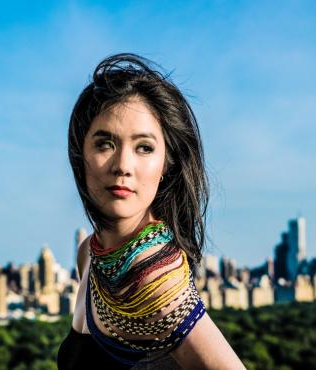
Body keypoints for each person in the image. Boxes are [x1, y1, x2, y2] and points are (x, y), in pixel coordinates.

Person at [57, 53, 246, 370]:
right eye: (104, 144)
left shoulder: (155, 277)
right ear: (81, 153)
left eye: (144, 147)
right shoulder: (88, 254)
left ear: (166, 165)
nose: (122, 166)